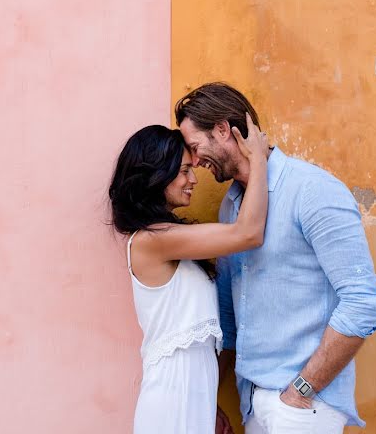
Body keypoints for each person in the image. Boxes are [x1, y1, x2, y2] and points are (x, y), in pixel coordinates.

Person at [175, 83, 376, 434]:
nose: (195, 162)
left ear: (224, 130)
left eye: (196, 148)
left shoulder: (312, 190)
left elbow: (363, 303)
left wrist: (302, 391)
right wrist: (209, 395)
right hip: (253, 402)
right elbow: (229, 314)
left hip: (304, 405)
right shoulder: (232, 205)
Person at [108, 114, 269, 434]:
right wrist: (259, 160)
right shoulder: (151, 241)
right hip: (171, 397)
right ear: (156, 177)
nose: (193, 179)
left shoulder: (171, 243)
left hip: (192, 395)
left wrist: (210, 404)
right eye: (184, 171)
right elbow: (248, 233)